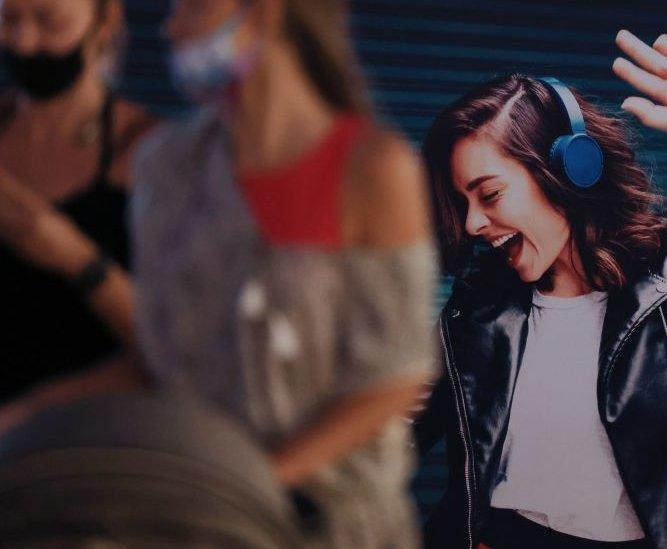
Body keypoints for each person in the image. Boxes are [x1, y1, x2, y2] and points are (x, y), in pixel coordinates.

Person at [3, 0, 439, 546]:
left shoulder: (373, 168)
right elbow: (158, 359)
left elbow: (392, 381)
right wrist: (28, 414)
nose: (169, 26)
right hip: (202, 520)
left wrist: (246, 482)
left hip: (330, 525)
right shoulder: (166, 166)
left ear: (266, 14)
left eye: (193, 7)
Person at [413, 31, 667, 549]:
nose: (471, 224)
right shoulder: (478, 310)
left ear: (568, 169)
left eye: (489, 194)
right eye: (462, 203)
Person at [0, 0, 155, 405]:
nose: (24, 42)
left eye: (50, 21)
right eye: (7, 19)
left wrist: (68, 251)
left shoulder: (148, 151)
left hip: (90, 430)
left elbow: (177, 346)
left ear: (106, 20)